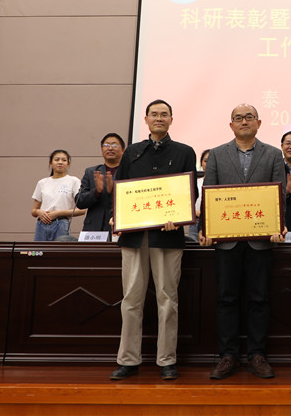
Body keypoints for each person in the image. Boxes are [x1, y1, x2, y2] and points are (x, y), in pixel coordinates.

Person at [109, 100, 197, 382]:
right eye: (154, 114)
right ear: (146, 119)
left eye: (164, 114)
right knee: (131, 299)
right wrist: (117, 216)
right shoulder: (132, 152)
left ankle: (167, 360)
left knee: (168, 299)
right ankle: (128, 359)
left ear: (171, 119)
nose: (159, 118)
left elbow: (190, 193)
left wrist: (179, 216)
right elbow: (120, 190)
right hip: (134, 237)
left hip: (168, 236)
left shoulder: (184, 152)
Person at [198, 104, 286, 380]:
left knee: (259, 298)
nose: (244, 121)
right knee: (226, 298)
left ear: (259, 123)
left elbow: (279, 195)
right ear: (231, 125)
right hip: (227, 241)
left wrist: (278, 225)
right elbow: (208, 193)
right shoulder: (217, 154)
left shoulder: (273, 154)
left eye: (249, 117)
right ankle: (228, 356)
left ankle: (257, 354)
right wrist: (205, 229)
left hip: (261, 239)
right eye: (238, 118)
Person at [76, 133, 125, 240]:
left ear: (123, 150)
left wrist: (113, 191)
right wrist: (96, 192)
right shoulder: (91, 172)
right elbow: (79, 202)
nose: (110, 148)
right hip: (93, 230)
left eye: (114, 145)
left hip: (119, 228)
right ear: (102, 150)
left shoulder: (129, 172)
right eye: (106, 145)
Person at [30, 149, 83, 241]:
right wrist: (39, 212)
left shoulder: (73, 181)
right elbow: (34, 211)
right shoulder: (42, 182)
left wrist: (58, 213)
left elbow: (81, 210)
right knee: (39, 250)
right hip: (41, 224)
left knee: (60, 250)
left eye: (64, 160)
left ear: (68, 164)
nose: (60, 162)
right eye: (57, 159)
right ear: (50, 163)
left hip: (61, 224)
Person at [186, 149, 210, 242]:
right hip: (196, 221)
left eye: (211, 161)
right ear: (201, 163)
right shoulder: (194, 182)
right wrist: (195, 212)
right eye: (205, 161)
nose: (208, 164)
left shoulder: (222, 184)